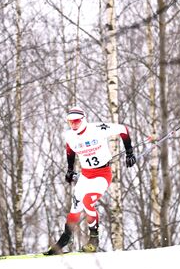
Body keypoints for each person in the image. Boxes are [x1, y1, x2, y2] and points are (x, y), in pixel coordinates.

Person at [44, 106, 136, 254]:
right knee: (75, 208)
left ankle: (94, 239)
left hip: (102, 174)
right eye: (70, 122)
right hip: (85, 175)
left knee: (88, 201)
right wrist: (69, 169)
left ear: (83, 119)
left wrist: (129, 152)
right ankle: (66, 238)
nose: (73, 124)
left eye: (76, 121)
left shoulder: (97, 129)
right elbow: (70, 150)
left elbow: (123, 129)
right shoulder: (70, 135)